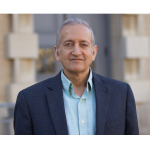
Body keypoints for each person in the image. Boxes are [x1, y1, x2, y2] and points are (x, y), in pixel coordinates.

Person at [13, 18, 139, 135]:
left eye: (83, 44)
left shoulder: (122, 94)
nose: (76, 52)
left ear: (93, 52)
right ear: (57, 53)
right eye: (68, 44)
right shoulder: (29, 100)